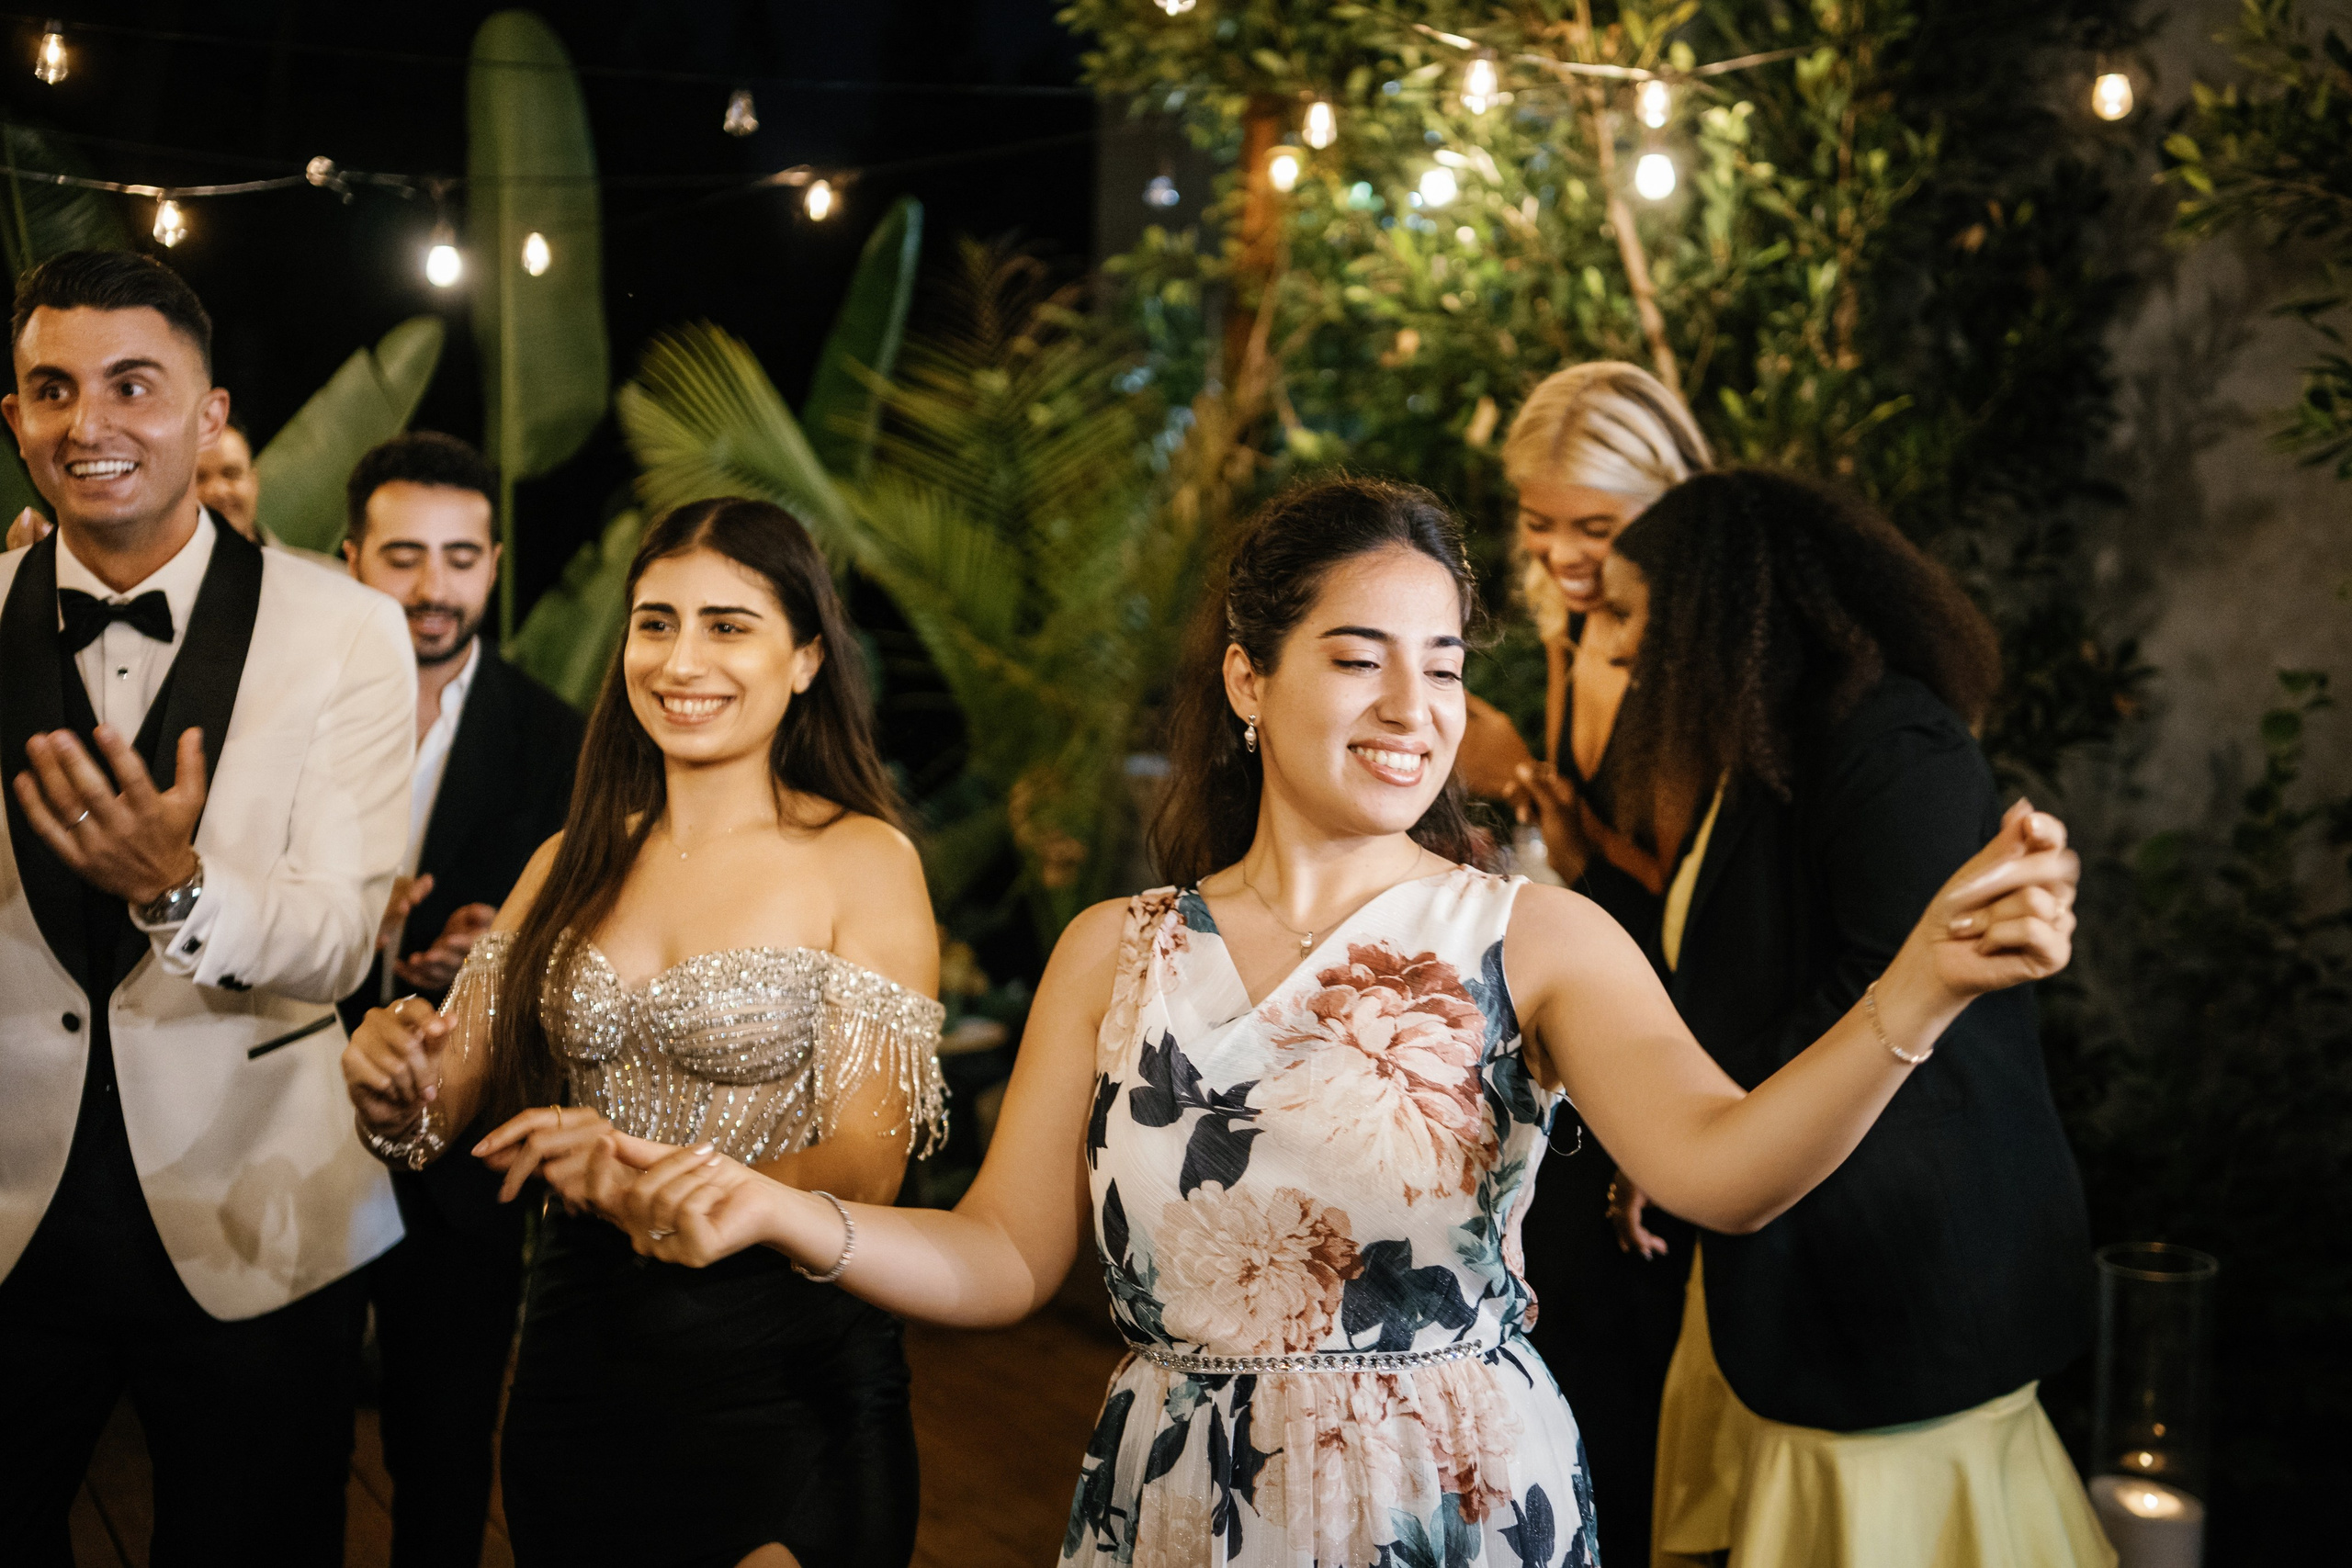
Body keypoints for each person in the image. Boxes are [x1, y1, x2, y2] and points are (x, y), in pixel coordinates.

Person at [569, 475, 2079, 1567]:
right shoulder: (1116, 951)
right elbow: (1006, 1255)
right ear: (1250, 676)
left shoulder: (1532, 936)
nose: (1415, 704)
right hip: (1176, 1501)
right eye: (1361, 656)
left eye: (1444, 662)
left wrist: (1915, 994)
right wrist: (784, 1214)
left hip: (1455, 1500)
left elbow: (1723, 1170)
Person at [341, 496, 946, 1568]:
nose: (680, 659)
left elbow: (867, 1171)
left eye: (728, 625)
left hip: (782, 1381)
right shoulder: (566, 861)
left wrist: (630, 1178)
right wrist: (391, 1075)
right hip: (577, 1376)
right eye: (656, 621)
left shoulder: (863, 860)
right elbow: (435, 1122)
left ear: (805, 658)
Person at [1557, 468, 2105, 1567]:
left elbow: (1876, 988)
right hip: (1787, 1271)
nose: (1597, 630)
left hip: (1894, 1291)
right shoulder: (1757, 749)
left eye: (1621, 607)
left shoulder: (1889, 738)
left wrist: (1685, 1136)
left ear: (1708, 610)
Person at [0, 250, 413, 1560]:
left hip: (265, 1209)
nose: (90, 422)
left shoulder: (348, 628)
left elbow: (346, 932)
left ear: (211, 413)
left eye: (135, 384)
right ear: (14, 417)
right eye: (52, 388)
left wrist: (179, 889)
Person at [1452, 362, 1714, 1561]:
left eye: (1595, 528)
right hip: (1591, 1049)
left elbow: (1711, 902)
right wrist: (1560, 827)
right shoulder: (1574, 628)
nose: (1560, 555)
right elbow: (1620, 868)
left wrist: (1683, 1120)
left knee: (1628, 1383)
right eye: (1539, 521)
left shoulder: (1697, 665)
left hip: (1681, 1048)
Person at [336, 430, 585, 1568]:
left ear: (493, 563)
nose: (434, 587)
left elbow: (586, 939)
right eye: (402, 556)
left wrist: (506, 953)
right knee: (280, 1441)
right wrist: (364, 940)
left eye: (460, 556)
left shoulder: (558, 738)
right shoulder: (288, 719)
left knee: (442, 1459)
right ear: (350, 558)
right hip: (285, 1125)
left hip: (465, 1158)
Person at [195, 412, 261, 541]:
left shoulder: (307, 562)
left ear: (254, 482)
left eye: (231, 475)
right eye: (199, 479)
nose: (218, 491)